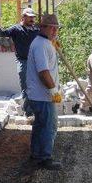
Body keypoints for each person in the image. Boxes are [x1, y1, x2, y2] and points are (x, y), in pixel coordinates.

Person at [26, 14, 63, 170]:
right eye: (52, 28)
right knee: (49, 126)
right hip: (43, 96)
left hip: (39, 95)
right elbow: (43, 72)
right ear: (43, 27)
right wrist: (53, 90)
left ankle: (36, 153)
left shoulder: (44, 43)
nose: (55, 31)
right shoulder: (41, 45)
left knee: (40, 125)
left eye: (57, 28)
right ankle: (45, 158)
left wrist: (52, 44)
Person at [0, 7, 39, 116]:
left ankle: (36, 110)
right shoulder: (16, 29)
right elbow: (3, 33)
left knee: (36, 86)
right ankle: (28, 112)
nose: (32, 19)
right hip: (23, 62)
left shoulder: (35, 30)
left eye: (33, 17)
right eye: (29, 17)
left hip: (36, 62)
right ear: (23, 17)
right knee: (26, 86)